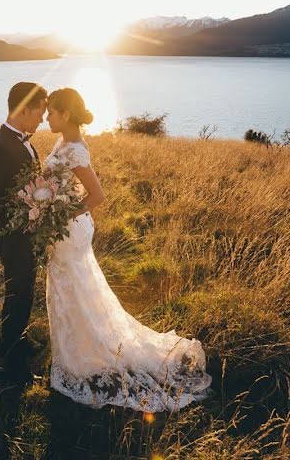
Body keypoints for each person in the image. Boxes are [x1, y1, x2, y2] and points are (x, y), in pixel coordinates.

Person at [43, 87, 212, 411]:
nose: (48, 117)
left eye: (52, 111)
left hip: (70, 229)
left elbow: (97, 195)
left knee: (75, 289)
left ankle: (86, 360)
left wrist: (61, 214)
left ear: (65, 114)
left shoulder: (76, 150)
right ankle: (75, 355)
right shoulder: (62, 142)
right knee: (73, 291)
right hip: (62, 229)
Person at [0, 82, 48, 384]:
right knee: (16, 299)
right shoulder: (0, 147)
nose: (43, 119)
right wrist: (25, 214)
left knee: (25, 296)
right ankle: (11, 365)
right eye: (40, 112)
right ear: (24, 109)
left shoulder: (25, 143)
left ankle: (20, 341)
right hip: (15, 240)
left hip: (27, 238)